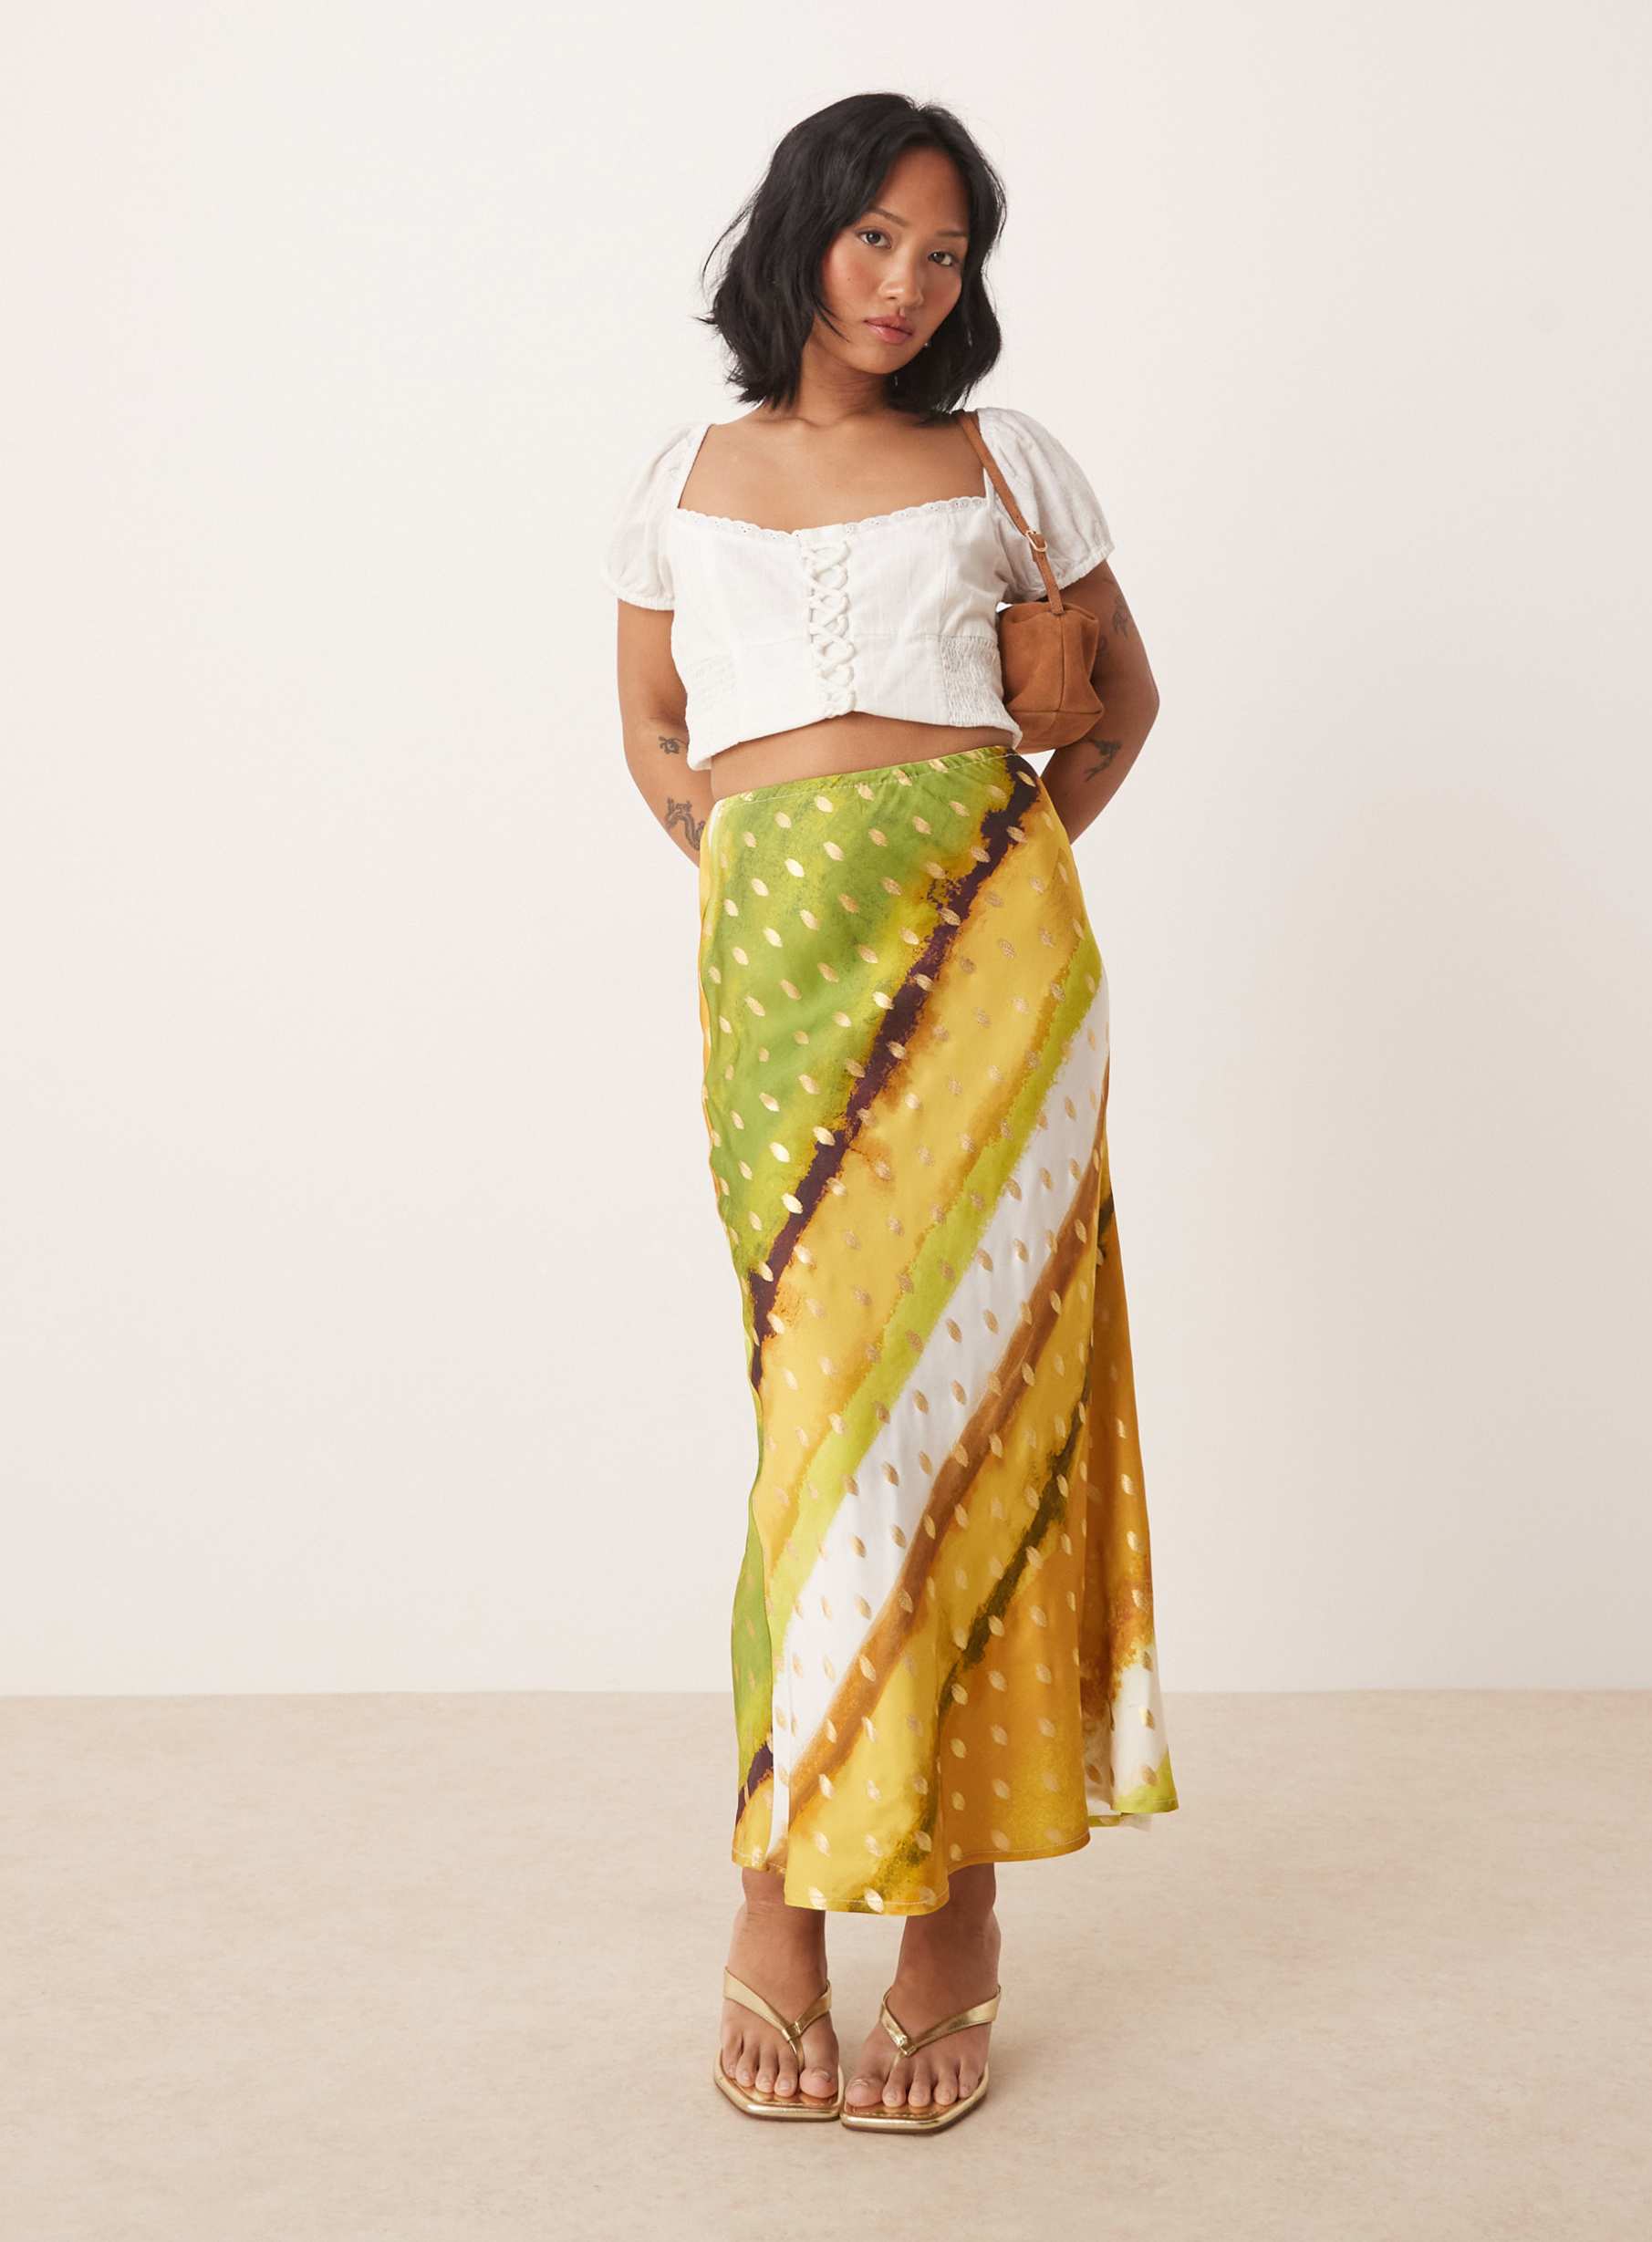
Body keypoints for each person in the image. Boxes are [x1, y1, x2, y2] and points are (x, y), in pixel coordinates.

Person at [604, 91, 1179, 2135]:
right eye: (877, 239)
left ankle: (955, 1917)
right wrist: (750, 862)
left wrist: (989, 879)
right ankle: (781, 1894)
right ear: (802, 234)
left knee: (975, 1413)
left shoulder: (1006, 460)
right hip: (781, 988)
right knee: (822, 1424)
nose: (909, 283)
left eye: (945, 254)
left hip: (993, 984)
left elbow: (1122, 701)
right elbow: (654, 722)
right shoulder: (682, 477)